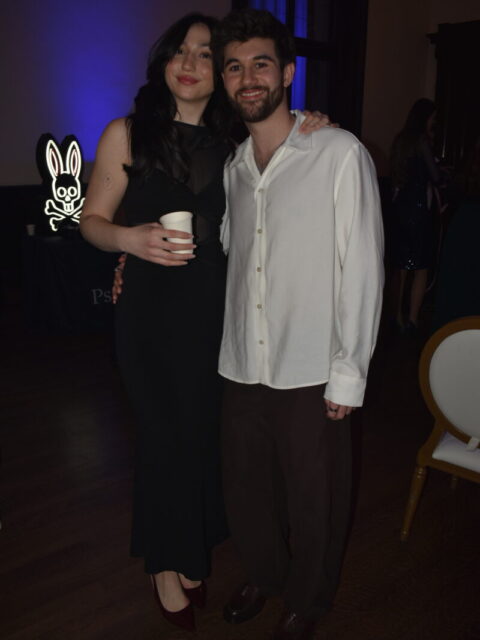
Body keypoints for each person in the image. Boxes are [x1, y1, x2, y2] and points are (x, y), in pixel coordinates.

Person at [80, 12, 328, 633]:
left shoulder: (236, 145)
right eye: (180, 51)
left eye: (204, 54)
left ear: (220, 73)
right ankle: (166, 565)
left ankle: (186, 545)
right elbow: (91, 222)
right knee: (163, 438)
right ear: (163, 62)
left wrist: (310, 123)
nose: (190, 64)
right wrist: (128, 241)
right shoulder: (126, 134)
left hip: (217, 315)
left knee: (200, 439)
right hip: (149, 316)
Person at [211, 10, 384, 640]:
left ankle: (307, 600)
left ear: (287, 72)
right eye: (235, 67)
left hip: (311, 364)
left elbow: (362, 265)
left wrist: (348, 372)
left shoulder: (338, 152)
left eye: (261, 64)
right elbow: (235, 251)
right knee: (246, 489)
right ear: (225, 80)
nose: (248, 78)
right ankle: (266, 573)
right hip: (243, 362)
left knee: (316, 498)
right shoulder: (234, 168)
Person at [389, 98, 441, 334]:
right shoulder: (421, 141)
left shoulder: (401, 140)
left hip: (400, 208)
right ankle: (412, 319)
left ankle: (396, 316)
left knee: (400, 267)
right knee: (421, 267)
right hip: (419, 209)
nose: (434, 122)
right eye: (432, 117)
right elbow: (435, 176)